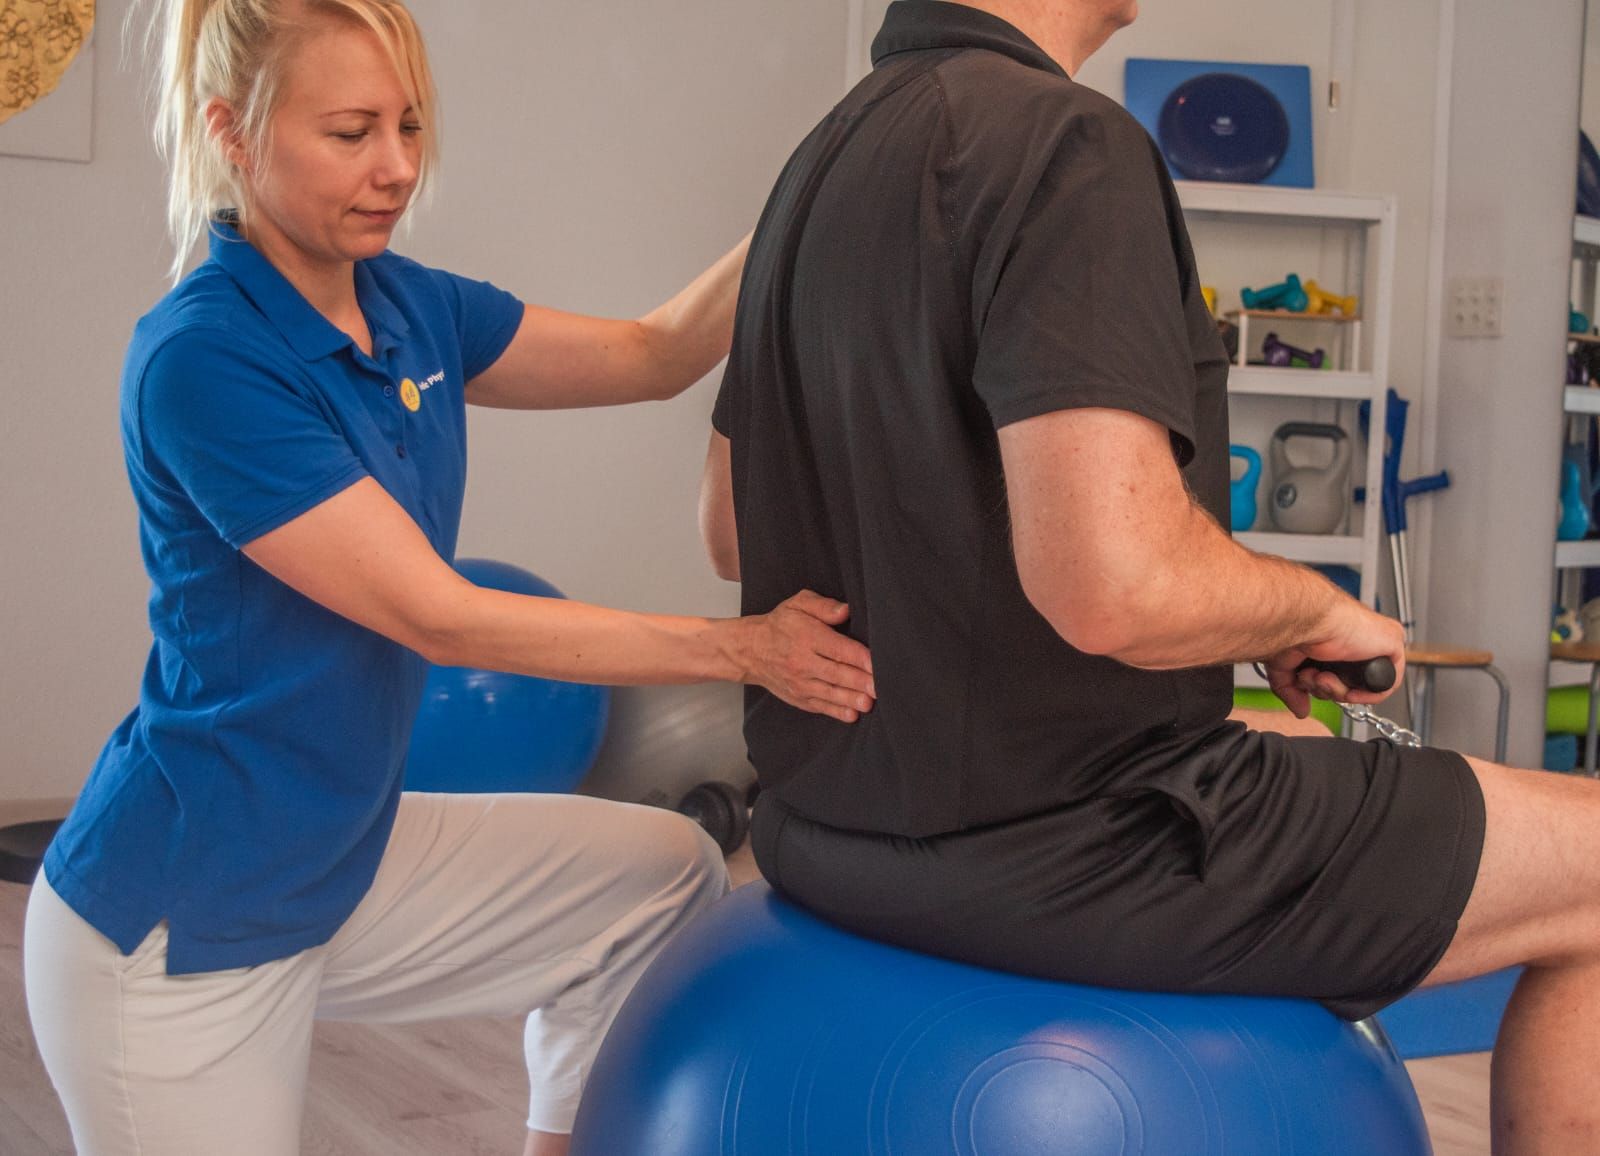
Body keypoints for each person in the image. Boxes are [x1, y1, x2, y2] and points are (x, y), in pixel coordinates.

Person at [702, 2, 1600, 1150]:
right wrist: (1315, 603)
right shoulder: (1067, 143)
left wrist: (1224, 622)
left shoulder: (821, 158)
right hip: (1067, 849)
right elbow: (1111, 587)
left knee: (1336, 757)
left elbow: (729, 527)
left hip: (826, 827)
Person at [23, 3, 877, 1155]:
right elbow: (441, 614)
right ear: (233, 132)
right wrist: (745, 647)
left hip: (343, 854)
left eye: (410, 126)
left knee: (656, 879)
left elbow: (655, 351)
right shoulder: (203, 358)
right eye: (351, 133)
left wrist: (823, 174)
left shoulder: (409, 305)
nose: (396, 169)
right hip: (185, 921)